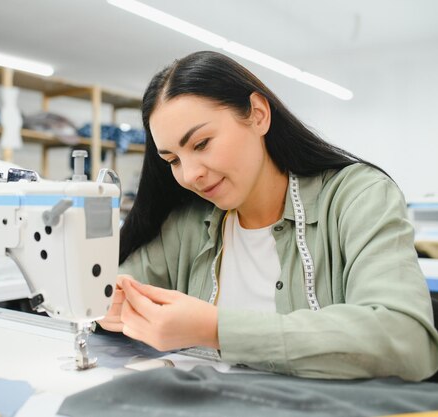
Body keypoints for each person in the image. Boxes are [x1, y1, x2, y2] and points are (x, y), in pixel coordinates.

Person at [97, 50, 438, 381]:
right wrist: (106, 303)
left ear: (258, 114)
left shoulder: (357, 196)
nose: (189, 175)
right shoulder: (189, 222)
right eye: (172, 160)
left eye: (201, 144)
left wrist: (215, 329)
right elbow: (117, 286)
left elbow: (406, 339)